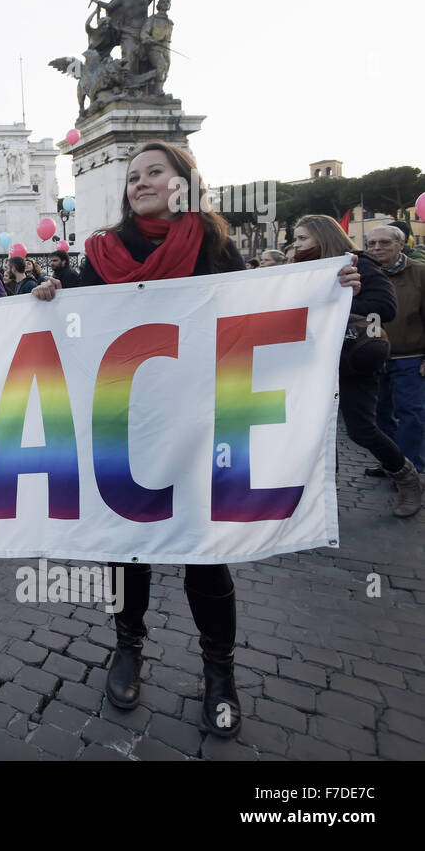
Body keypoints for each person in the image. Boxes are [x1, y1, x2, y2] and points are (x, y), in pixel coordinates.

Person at [32, 142, 367, 739]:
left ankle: (220, 672)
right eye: (132, 175)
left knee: (205, 557)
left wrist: (327, 286)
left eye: (153, 172)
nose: (139, 182)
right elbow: (73, 330)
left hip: (200, 425)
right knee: (126, 551)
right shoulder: (98, 257)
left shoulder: (214, 249)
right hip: (125, 423)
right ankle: (127, 646)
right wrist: (48, 304)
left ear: (183, 182)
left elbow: (259, 314)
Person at [292, 216, 420, 518]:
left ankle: (407, 478)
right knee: (314, 430)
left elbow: (385, 308)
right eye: (295, 239)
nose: (295, 245)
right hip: (312, 361)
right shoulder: (298, 271)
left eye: (302, 239)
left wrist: (344, 297)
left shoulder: (359, 264)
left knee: (362, 430)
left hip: (354, 358)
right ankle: (323, 499)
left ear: (323, 239)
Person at [363, 225, 425, 475]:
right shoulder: (365, 274)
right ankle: (392, 463)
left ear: (401, 244)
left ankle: (412, 471)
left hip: (411, 358)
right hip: (376, 359)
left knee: (412, 416)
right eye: (372, 244)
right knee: (378, 416)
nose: (377, 248)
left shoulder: (420, 273)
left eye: (385, 243)